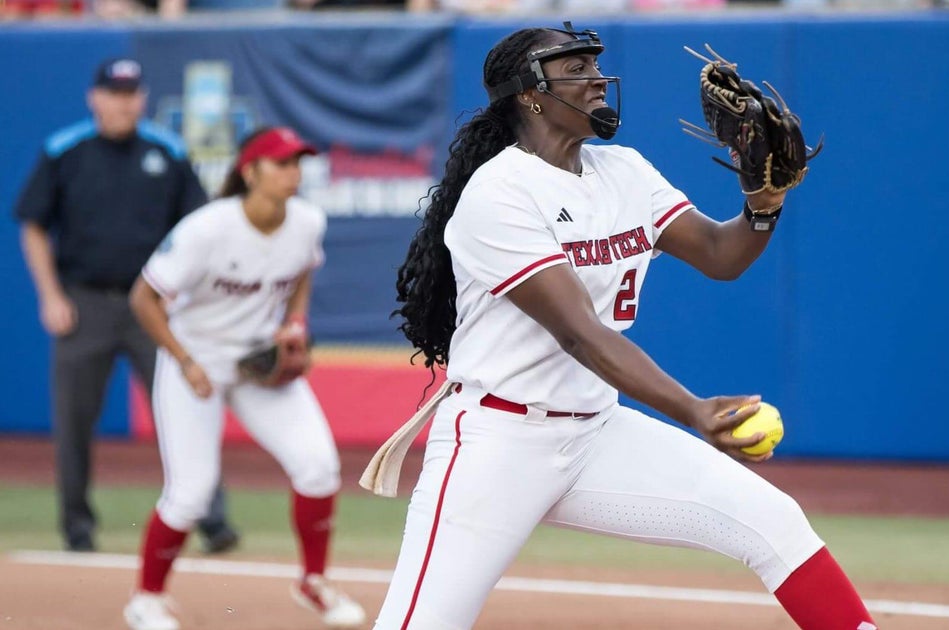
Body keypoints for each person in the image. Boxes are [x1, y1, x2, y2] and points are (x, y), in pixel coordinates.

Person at [377, 23, 878, 630]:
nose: (595, 79)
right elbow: (579, 333)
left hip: (595, 434)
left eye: (594, 64)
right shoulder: (499, 193)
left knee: (774, 522)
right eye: (574, 68)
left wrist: (762, 205)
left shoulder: (625, 171)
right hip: (497, 443)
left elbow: (722, 255)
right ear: (529, 95)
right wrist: (692, 409)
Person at [122, 127, 367, 630]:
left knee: (319, 468)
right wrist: (184, 360)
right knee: (191, 491)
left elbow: (302, 273)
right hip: (197, 360)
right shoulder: (206, 230)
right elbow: (143, 299)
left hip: (258, 361)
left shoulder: (306, 222)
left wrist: (294, 323)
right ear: (249, 171)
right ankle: (146, 597)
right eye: (280, 163)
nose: (292, 173)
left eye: (297, 163)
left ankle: (313, 582)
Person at [13, 57, 240, 555]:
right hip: (84, 301)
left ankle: (211, 519)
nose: (123, 102)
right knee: (74, 421)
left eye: (132, 93)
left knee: (186, 410)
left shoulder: (167, 149)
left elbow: (200, 228)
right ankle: (77, 527)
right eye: (114, 93)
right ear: (95, 98)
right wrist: (50, 295)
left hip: (154, 307)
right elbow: (32, 222)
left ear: (141, 99)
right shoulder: (64, 150)